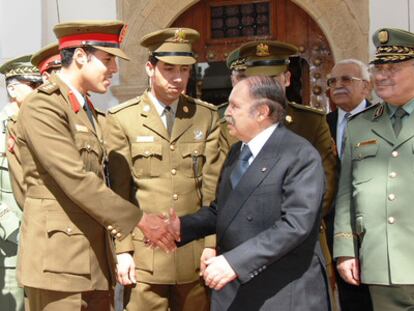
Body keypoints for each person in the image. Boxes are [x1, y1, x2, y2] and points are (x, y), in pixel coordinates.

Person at [15, 20, 177, 311]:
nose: (114, 70)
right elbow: (75, 179)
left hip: (94, 260)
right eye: (107, 60)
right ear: (79, 56)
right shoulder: (43, 107)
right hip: (58, 265)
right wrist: (141, 220)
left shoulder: (89, 112)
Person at [173, 75, 329, 310]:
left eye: (235, 106)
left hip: (283, 291)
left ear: (261, 112)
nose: (227, 113)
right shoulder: (238, 152)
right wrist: (179, 227)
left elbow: (295, 225)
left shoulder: (299, 155)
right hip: (238, 290)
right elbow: (225, 210)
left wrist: (234, 262)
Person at [104, 28, 225, 311]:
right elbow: (120, 194)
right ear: (150, 67)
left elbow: (213, 188)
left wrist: (210, 244)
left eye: (184, 70)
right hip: (144, 257)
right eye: (168, 68)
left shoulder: (205, 117)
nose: (178, 78)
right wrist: (123, 251)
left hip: (193, 256)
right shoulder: (123, 119)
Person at [238, 40, 338, 304]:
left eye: (272, 79)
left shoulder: (311, 123)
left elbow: (325, 189)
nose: (264, 88)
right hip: (244, 250)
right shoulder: (230, 124)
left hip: (301, 249)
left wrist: (281, 231)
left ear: (286, 78)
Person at [334, 28, 414, 311]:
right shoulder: (360, 125)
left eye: (393, 67)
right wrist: (344, 250)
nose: (381, 75)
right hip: (382, 263)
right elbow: (345, 194)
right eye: (378, 67)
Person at [325, 59, 373, 311]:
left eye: (346, 80)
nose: (338, 85)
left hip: (375, 231)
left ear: (366, 87)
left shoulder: (383, 120)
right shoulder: (321, 124)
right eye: (333, 81)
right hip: (333, 229)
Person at [0, 55, 42, 311]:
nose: (41, 91)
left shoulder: (44, 128)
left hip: (45, 239)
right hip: (11, 241)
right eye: (33, 85)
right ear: (12, 88)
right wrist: (12, 227)